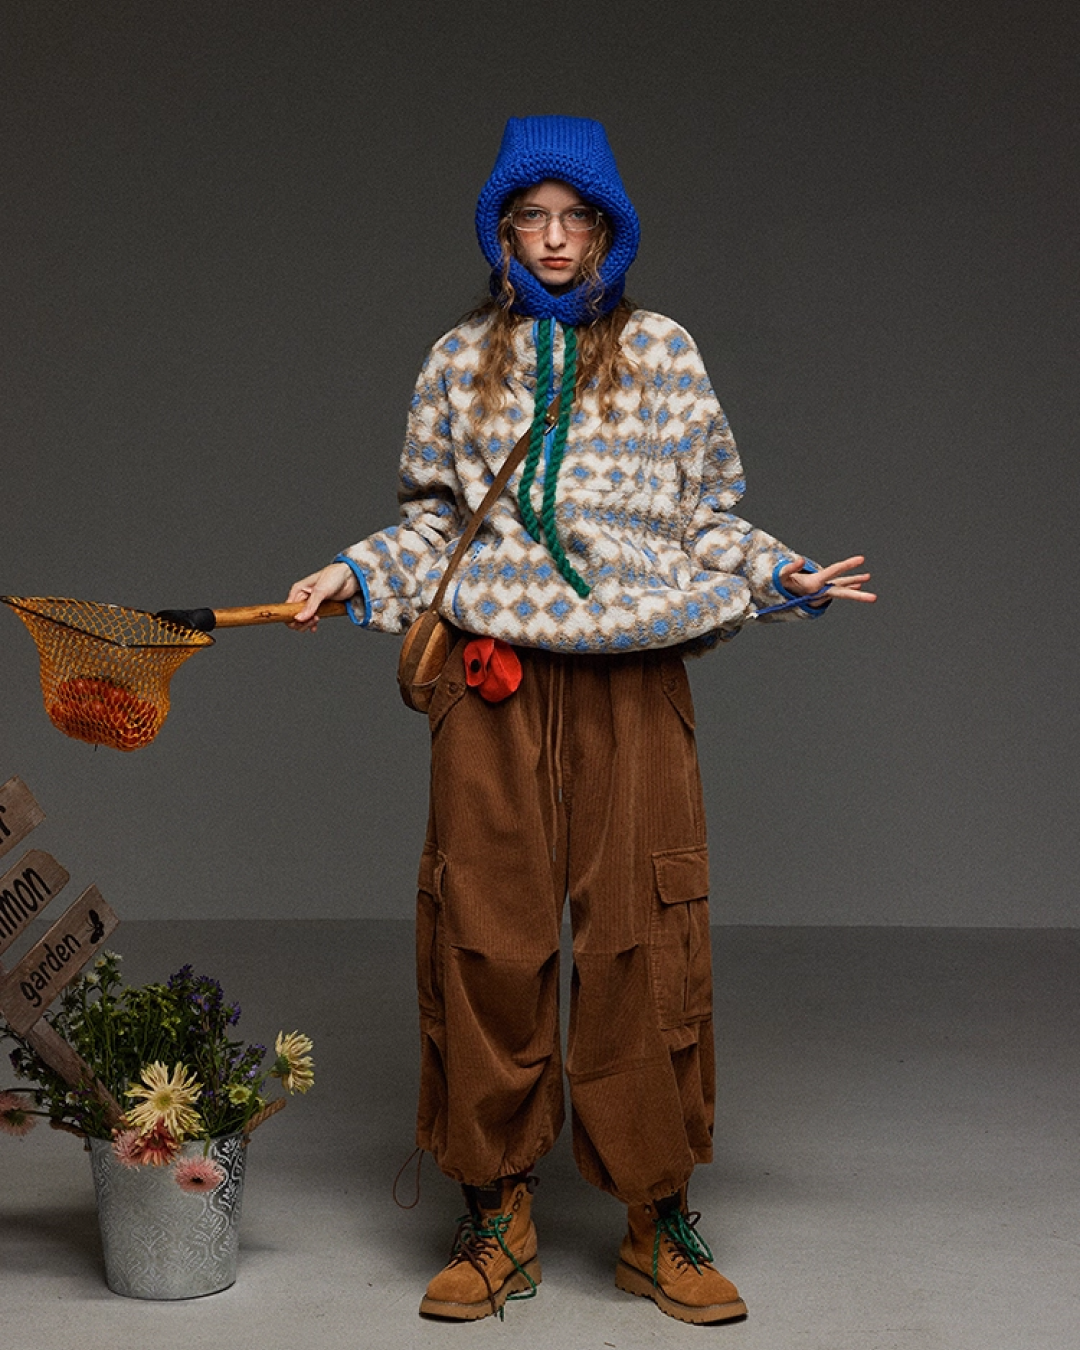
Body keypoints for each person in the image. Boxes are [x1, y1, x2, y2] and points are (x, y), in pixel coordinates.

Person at [288, 115, 875, 1326]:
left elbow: (707, 519)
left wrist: (780, 573)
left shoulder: (664, 352)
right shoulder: (460, 360)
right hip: (492, 682)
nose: (554, 240)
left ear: (609, 231)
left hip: (633, 681)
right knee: (486, 936)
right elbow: (434, 524)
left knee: (646, 940)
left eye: (575, 219)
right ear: (501, 233)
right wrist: (354, 572)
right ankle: (495, 1213)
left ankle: (657, 1221)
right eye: (530, 219)